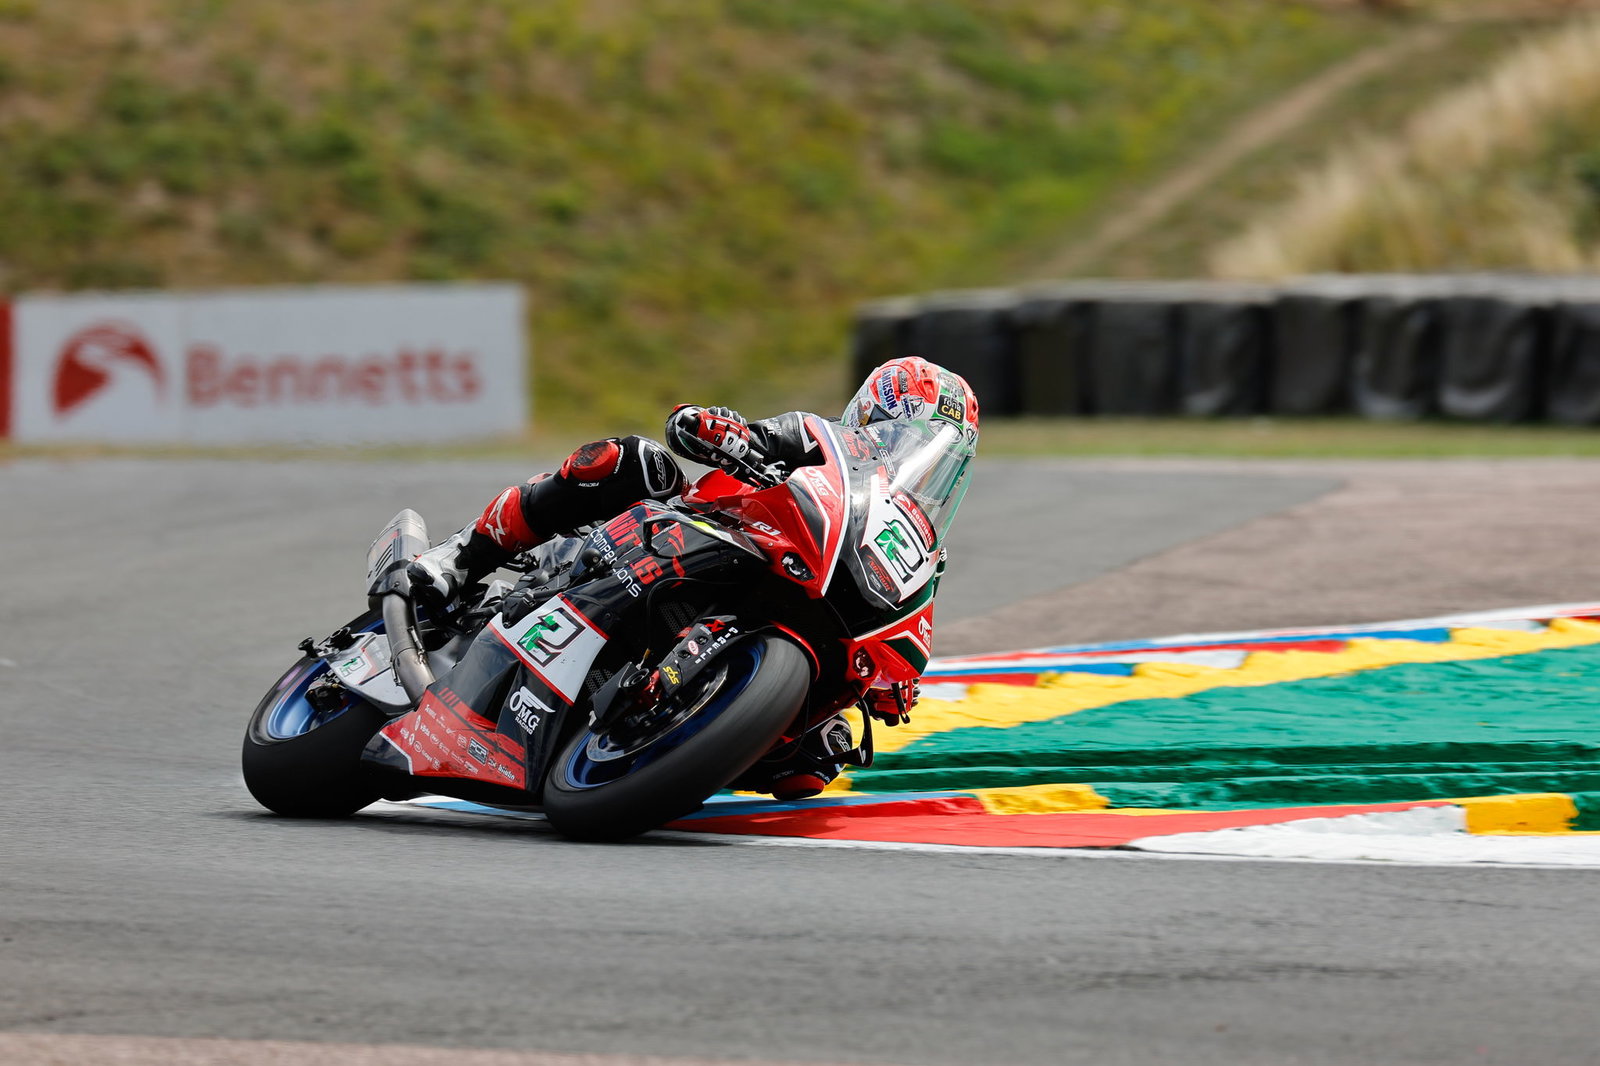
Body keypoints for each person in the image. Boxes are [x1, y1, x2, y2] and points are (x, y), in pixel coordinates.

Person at [407, 356, 980, 799]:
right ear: (869, 416)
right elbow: (735, 433)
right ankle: (462, 556)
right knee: (630, 462)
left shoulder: (914, 541)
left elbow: (909, 634)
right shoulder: (819, 440)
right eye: (903, 435)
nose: (917, 458)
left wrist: (893, 682)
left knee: (813, 763)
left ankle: (662, 736)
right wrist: (723, 431)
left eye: (942, 457)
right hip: (702, 534)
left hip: (796, 600)